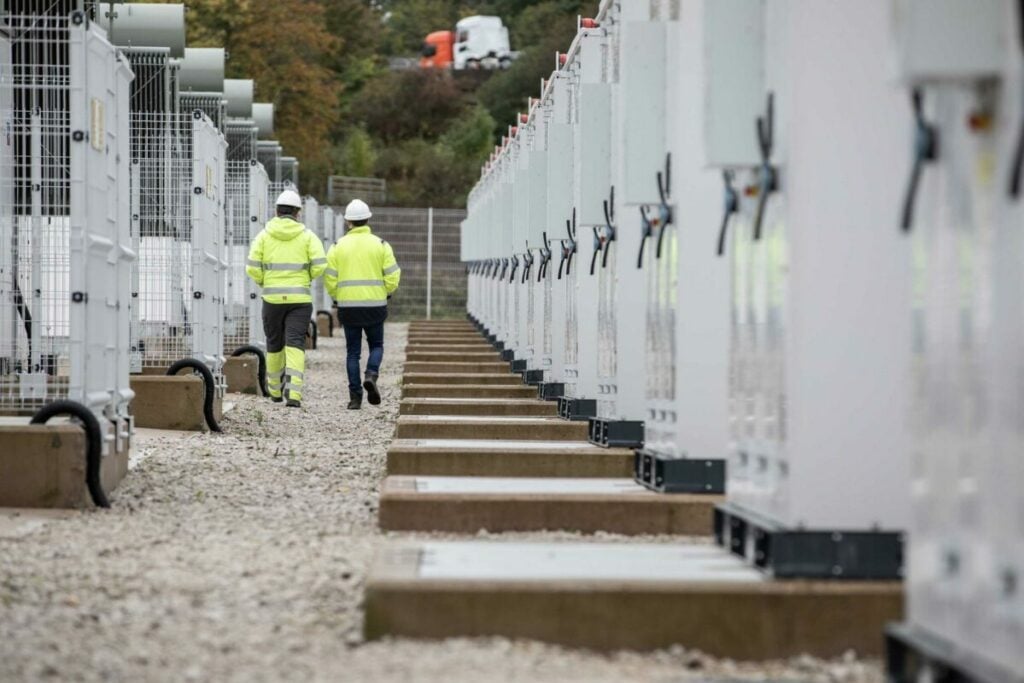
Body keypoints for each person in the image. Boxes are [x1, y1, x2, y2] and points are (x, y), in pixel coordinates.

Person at [245, 189, 327, 408]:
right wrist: (306, 278)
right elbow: (320, 264)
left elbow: (252, 267)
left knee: (274, 343)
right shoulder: (308, 236)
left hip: (271, 299)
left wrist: (265, 281)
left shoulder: (263, 235)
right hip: (300, 299)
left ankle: (274, 391)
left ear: (276, 211)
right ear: (298, 213)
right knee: (295, 343)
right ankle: (294, 394)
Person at [324, 199, 401, 410]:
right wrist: (386, 292)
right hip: (375, 305)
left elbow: (329, 277)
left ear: (348, 221)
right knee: (376, 345)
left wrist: (337, 296)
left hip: (348, 307)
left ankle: (355, 398)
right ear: (368, 219)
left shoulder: (337, 246)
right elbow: (393, 275)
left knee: (352, 352)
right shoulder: (381, 245)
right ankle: (371, 374)